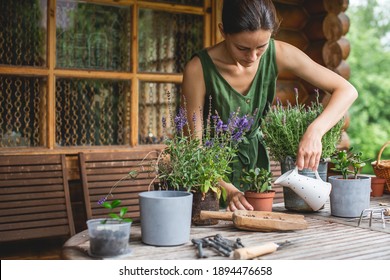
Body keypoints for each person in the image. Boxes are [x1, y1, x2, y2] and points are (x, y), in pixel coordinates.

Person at [181, 0, 358, 211]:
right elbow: (195, 148)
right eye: (242, 48)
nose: (253, 57)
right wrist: (227, 189)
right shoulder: (198, 69)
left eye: (261, 47)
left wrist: (315, 131)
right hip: (210, 183)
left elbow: (347, 90)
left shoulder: (279, 53)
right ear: (223, 32)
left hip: (257, 175)